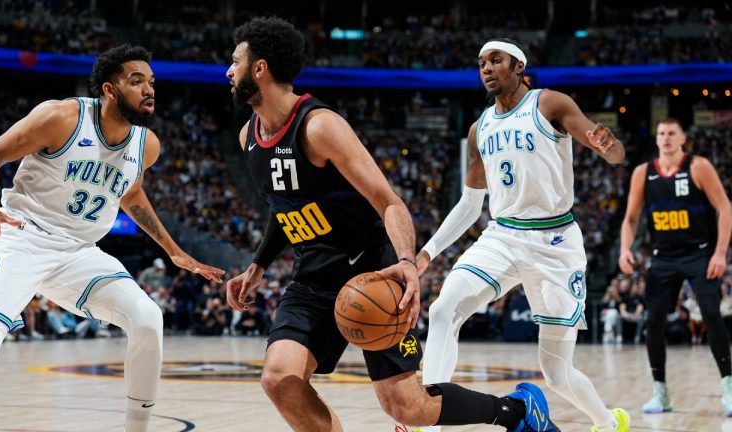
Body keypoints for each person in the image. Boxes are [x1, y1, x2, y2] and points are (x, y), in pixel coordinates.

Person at [225, 18, 559, 432]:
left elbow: (389, 202)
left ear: (259, 68)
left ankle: (517, 412)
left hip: (372, 273)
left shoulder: (318, 126)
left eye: (235, 61)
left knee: (406, 408)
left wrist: (406, 261)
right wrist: (258, 265)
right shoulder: (248, 137)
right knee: (279, 379)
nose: (228, 71)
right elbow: (284, 208)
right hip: (312, 280)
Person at [0, 44, 224, 431]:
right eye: (136, 82)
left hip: (79, 253)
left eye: (151, 82)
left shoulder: (146, 145)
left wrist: (175, 251)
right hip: (23, 237)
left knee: (148, 317)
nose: (149, 89)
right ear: (109, 90)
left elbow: (131, 194)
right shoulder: (61, 117)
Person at [414, 38, 631, 432]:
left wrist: (609, 146)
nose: (486, 68)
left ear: (518, 67)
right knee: (444, 309)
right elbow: (469, 204)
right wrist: (427, 252)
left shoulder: (549, 103)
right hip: (503, 235)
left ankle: (607, 421)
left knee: (557, 373)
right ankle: (429, 421)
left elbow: (612, 153)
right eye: (481, 62)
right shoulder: (479, 129)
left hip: (555, 242)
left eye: (496, 60)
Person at [619, 117, 732, 415]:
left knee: (710, 313)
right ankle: (661, 392)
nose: (666, 138)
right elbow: (631, 218)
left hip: (700, 255)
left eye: (671, 133)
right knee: (653, 322)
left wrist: (720, 253)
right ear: (656, 140)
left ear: (683, 139)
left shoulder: (698, 166)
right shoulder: (643, 173)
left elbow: (725, 208)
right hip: (663, 257)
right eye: (661, 133)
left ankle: (729, 387)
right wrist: (624, 249)